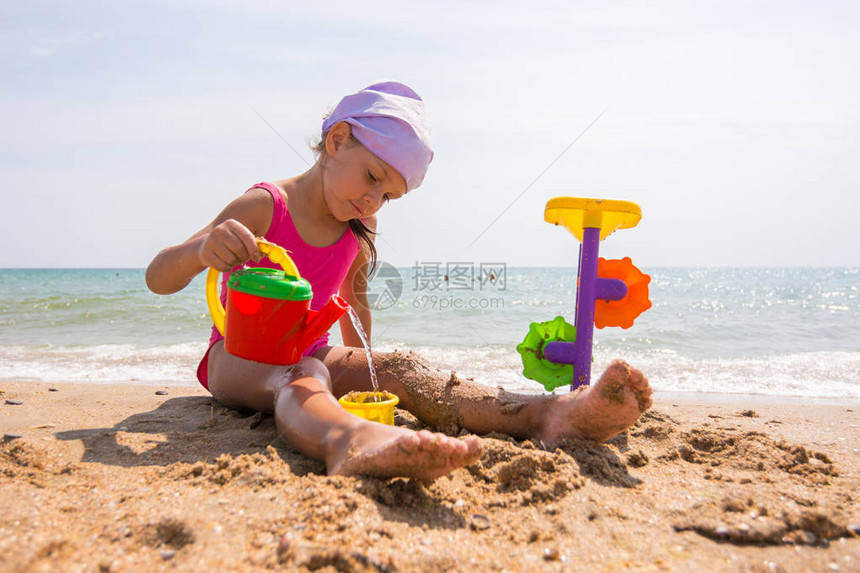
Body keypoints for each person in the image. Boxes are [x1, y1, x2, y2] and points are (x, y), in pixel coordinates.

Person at [146, 81, 652, 481]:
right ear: (337, 139)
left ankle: (549, 415)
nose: (373, 203)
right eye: (371, 178)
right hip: (235, 359)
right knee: (302, 378)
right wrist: (201, 250)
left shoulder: (357, 227)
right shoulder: (265, 206)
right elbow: (157, 277)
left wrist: (373, 370)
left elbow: (353, 306)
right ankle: (345, 442)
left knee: (401, 368)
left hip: (309, 350)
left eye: (388, 195)